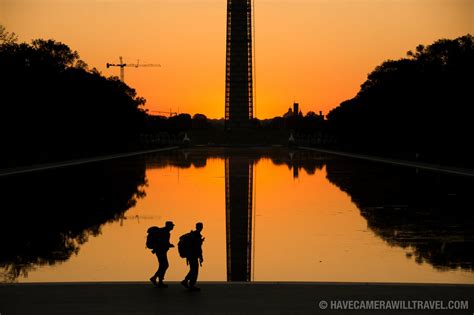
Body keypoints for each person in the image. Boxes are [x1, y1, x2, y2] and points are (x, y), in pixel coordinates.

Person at [150, 221, 175, 288]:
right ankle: (156, 279)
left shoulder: (163, 231)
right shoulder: (165, 233)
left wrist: (169, 245)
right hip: (161, 251)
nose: (173, 227)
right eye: (172, 225)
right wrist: (169, 245)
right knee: (164, 265)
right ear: (168, 226)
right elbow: (163, 242)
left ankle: (158, 280)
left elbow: (164, 242)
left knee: (163, 265)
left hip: (160, 251)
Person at [181, 222, 204, 291]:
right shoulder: (197, 236)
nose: (201, 228)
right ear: (200, 227)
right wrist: (201, 256)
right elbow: (198, 248)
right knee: (195, 270)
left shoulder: (192, 235)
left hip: (190, 255)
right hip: (193, 255)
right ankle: (191, 285)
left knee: (193, 269)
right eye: (201, 226)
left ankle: (186, 281)